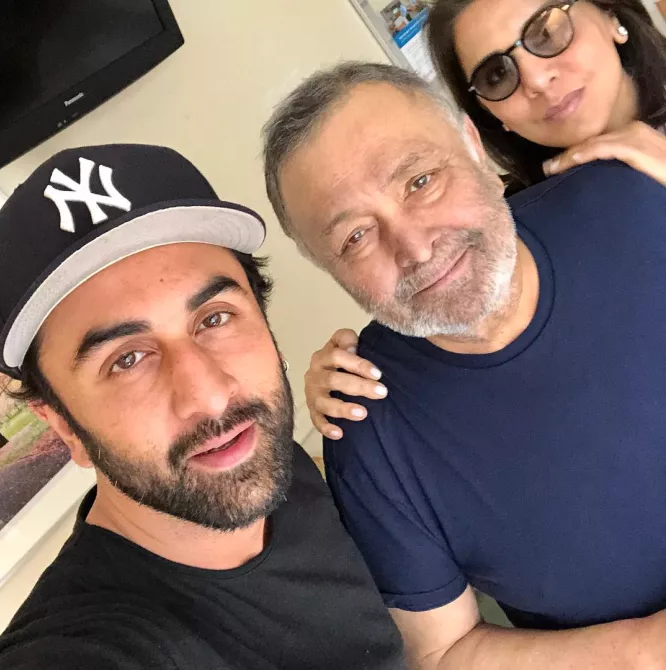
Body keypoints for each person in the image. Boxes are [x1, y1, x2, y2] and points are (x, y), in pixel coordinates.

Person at [262, 62, 666, 668]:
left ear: (473, 146)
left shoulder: (638, 197)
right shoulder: (367, 429)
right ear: (330, 270)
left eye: (420, 181)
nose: (416, 247)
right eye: (355, 237)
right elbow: (443, 650)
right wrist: (647, 650)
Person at [0, 144, 405, 670]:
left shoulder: (273, 467)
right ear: (64, 427)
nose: (210, 396)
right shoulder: (86, 648)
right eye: (126, 360)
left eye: (214, 319)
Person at [427, 0, 666, 191]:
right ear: (489, 112)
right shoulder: (528, 225)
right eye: (497, 76)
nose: (537, 81)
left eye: (546, 34)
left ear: (609, 15)